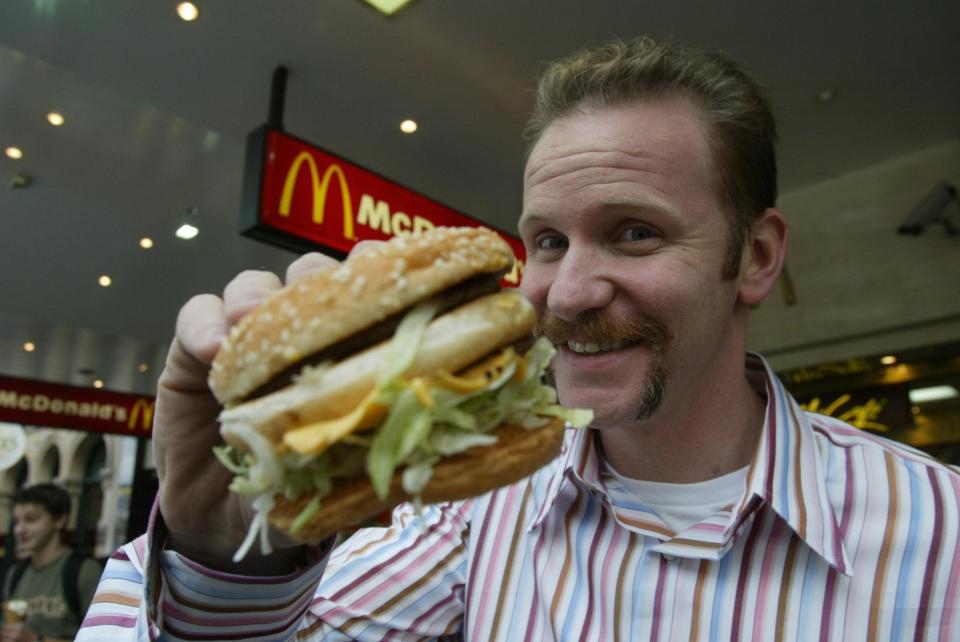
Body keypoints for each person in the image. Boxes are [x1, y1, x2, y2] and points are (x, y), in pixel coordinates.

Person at [79, 37, 960, 641]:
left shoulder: (940, 532)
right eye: (547, 241)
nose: (567, 294)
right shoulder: (465, 510)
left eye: (634, 233)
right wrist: (221, 554)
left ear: (756, 256)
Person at [1, 483, 102, 642]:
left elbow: (104, 636)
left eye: (31, 519)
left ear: (60, 519)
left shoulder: (84, 571)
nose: (19, 529)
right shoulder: (15, 574)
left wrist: (36, 639)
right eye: (16, 521)